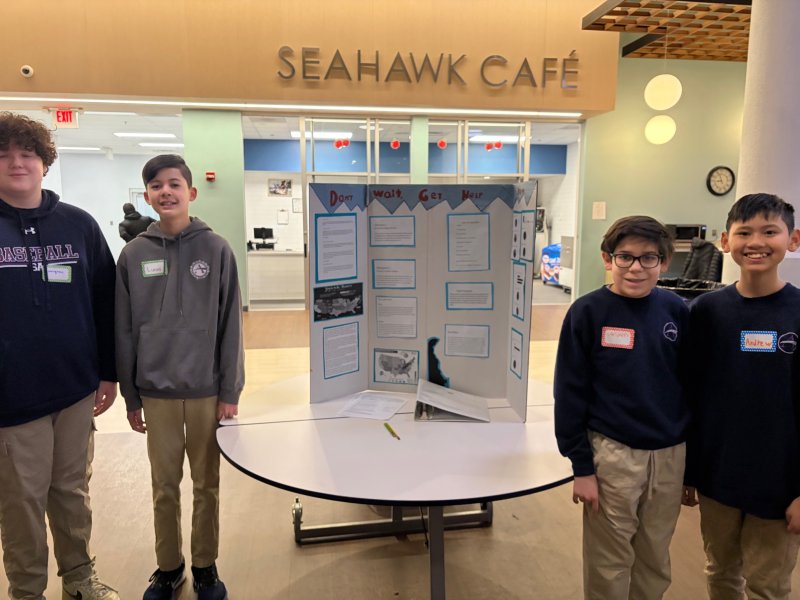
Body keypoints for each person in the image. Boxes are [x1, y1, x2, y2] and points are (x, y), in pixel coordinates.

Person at [0, 112, 119, 599]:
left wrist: (108, 373)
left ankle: (80, 580)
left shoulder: (79, 225)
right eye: (4, 154)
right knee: (21, 502)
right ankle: (27, 592)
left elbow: (106, 301)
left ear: (44, 162)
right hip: (11, 402)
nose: (16, 162)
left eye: (27, 152)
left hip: (74, 391)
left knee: (72, 493)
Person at [115, 154, 244, 600]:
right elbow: (124, 329)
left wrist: (231, 389)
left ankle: (205, 565)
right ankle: (169, 568)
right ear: (147, 197)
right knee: (163, 486)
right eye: (155, 185)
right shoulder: (133, 255)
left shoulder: (217, 249)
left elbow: (231, 325)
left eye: (174, 184)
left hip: (207, 391)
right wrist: (131, 396)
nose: (165, 191)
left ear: (190, 193)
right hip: (157, 393)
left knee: (207, 483)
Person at [554, 215, 689, 599]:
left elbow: (688, 386)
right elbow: (569, 393)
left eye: (648, 258)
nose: (635, 267)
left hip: (669, 454)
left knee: (655, 557)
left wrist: (690, 465)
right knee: (608, 562)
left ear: (664, 262)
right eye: (625, 257)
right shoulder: (587, 312)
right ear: (606, 259)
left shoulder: (676, 311)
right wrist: (582, 466)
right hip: (611, 455)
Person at [683, 193, 800, 599]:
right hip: (719, 475)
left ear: (794, 240)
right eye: (744, 232)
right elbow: (693, 394)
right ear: (724, 241)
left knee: (768, 585)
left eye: (770, 231)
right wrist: (690, 471)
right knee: (720, 572)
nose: (756, 242)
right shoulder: (705, 311)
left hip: (782, 481)